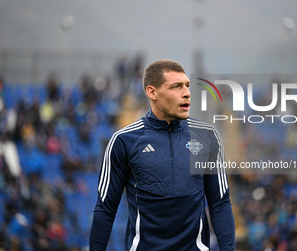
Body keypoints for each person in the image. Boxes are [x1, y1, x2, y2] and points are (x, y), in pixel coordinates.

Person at [89, 59, 235, 251]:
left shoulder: (207, 136)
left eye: (187, 86)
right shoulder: (124, 141)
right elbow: (105, 209)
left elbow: (219, 202)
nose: (186, 93)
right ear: (152, 92)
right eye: (176, 87)